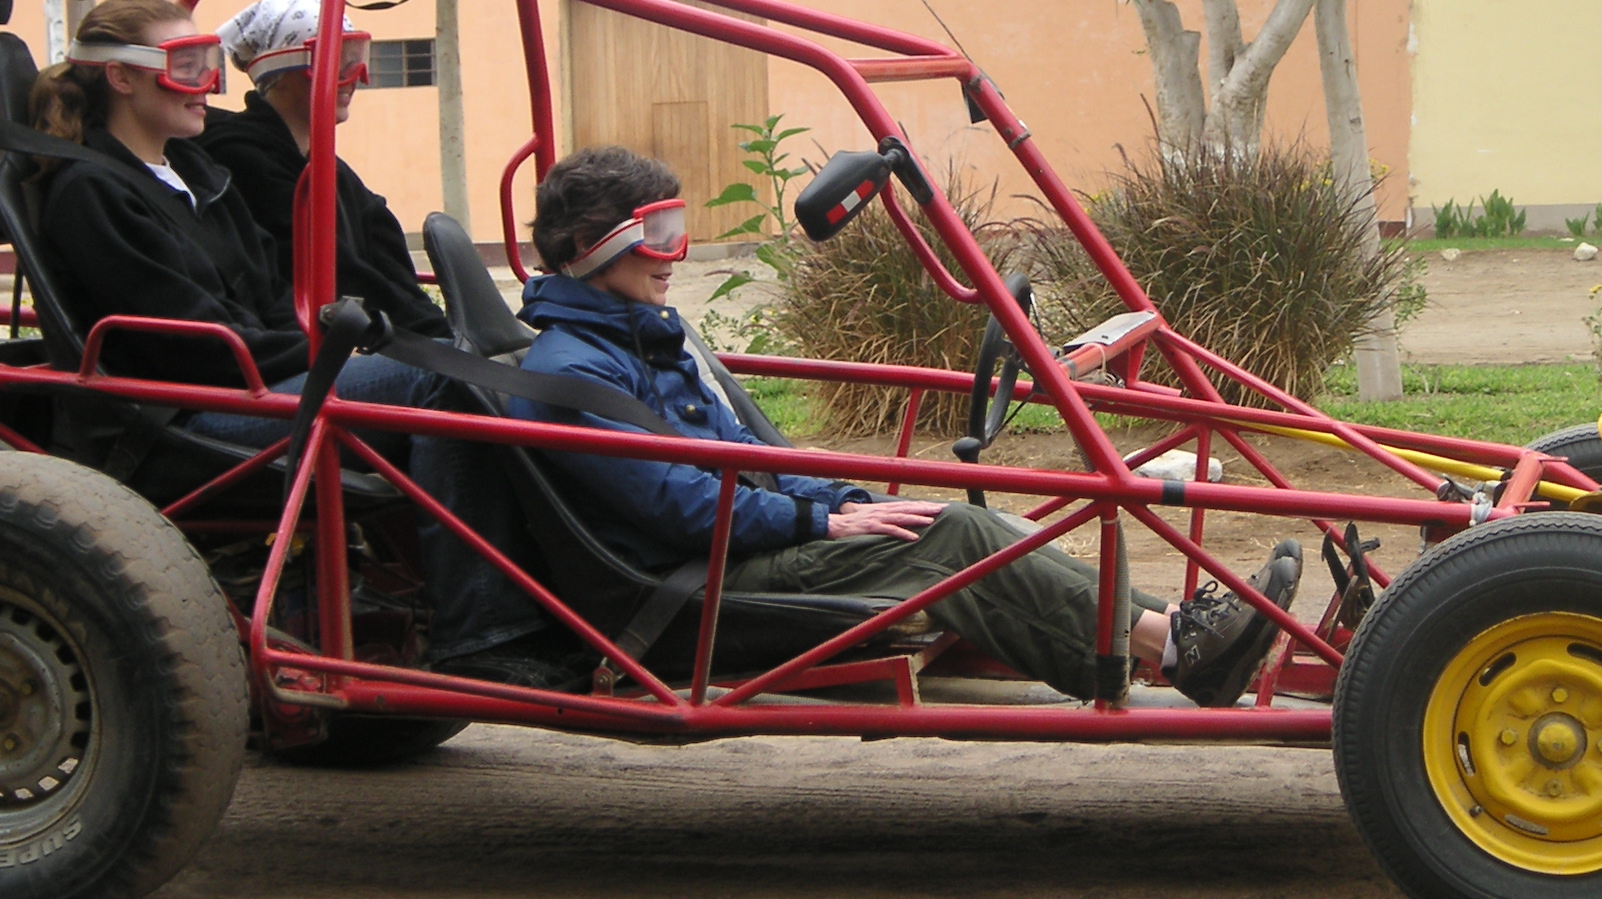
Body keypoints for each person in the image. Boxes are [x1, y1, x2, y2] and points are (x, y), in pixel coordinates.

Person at [507, 146, 1303, 707]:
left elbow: (751, 457)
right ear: (587, 247)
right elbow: (678, 506)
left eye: (675, 228)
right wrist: (822, 517)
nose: (674, 253)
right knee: (954, 534)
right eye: (655, 235)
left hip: (734, 550)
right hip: (691, 593)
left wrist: (838, 499)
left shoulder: (646, 336)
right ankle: (1177, 648)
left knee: (942, 520)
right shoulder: (573, 372)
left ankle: (1179, 632)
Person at [30, 0, 550, 672]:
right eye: (186, 66)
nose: (208, 84)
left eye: (209, 63)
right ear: (121, 77)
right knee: (440, 374)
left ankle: (527, 602)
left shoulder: (192, 170)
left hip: (250, 384)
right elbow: (187, 342)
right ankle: (482, 633)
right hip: (181, 418)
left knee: (464, 365)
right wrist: (327, 346)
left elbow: (271, 296)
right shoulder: (90, 191)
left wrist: (334, 338)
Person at [203, 0, 451, 339]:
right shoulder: (244, 161)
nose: (357, 78)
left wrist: (442, 338)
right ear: (280, 72)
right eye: (337, 63)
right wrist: (436, 345)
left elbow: (386, 262)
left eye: (355, 59)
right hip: (316, 350)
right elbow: (336, 270)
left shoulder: (327, 168)